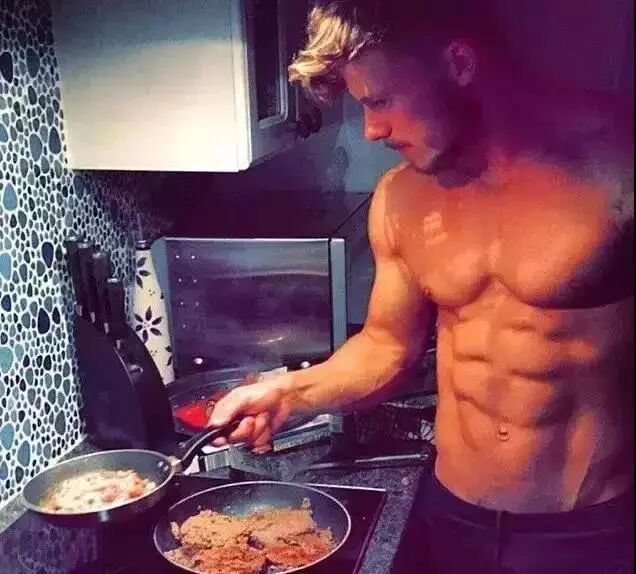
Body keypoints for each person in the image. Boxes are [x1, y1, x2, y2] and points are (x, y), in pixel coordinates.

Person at [208, 1, 634, 572]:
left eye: (380, 101)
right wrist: (288, 394)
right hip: (450, 516)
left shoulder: (615, 165)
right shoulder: (401, 197)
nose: (371, 130)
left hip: (588, 533)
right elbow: (385, 346)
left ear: (459, 63)